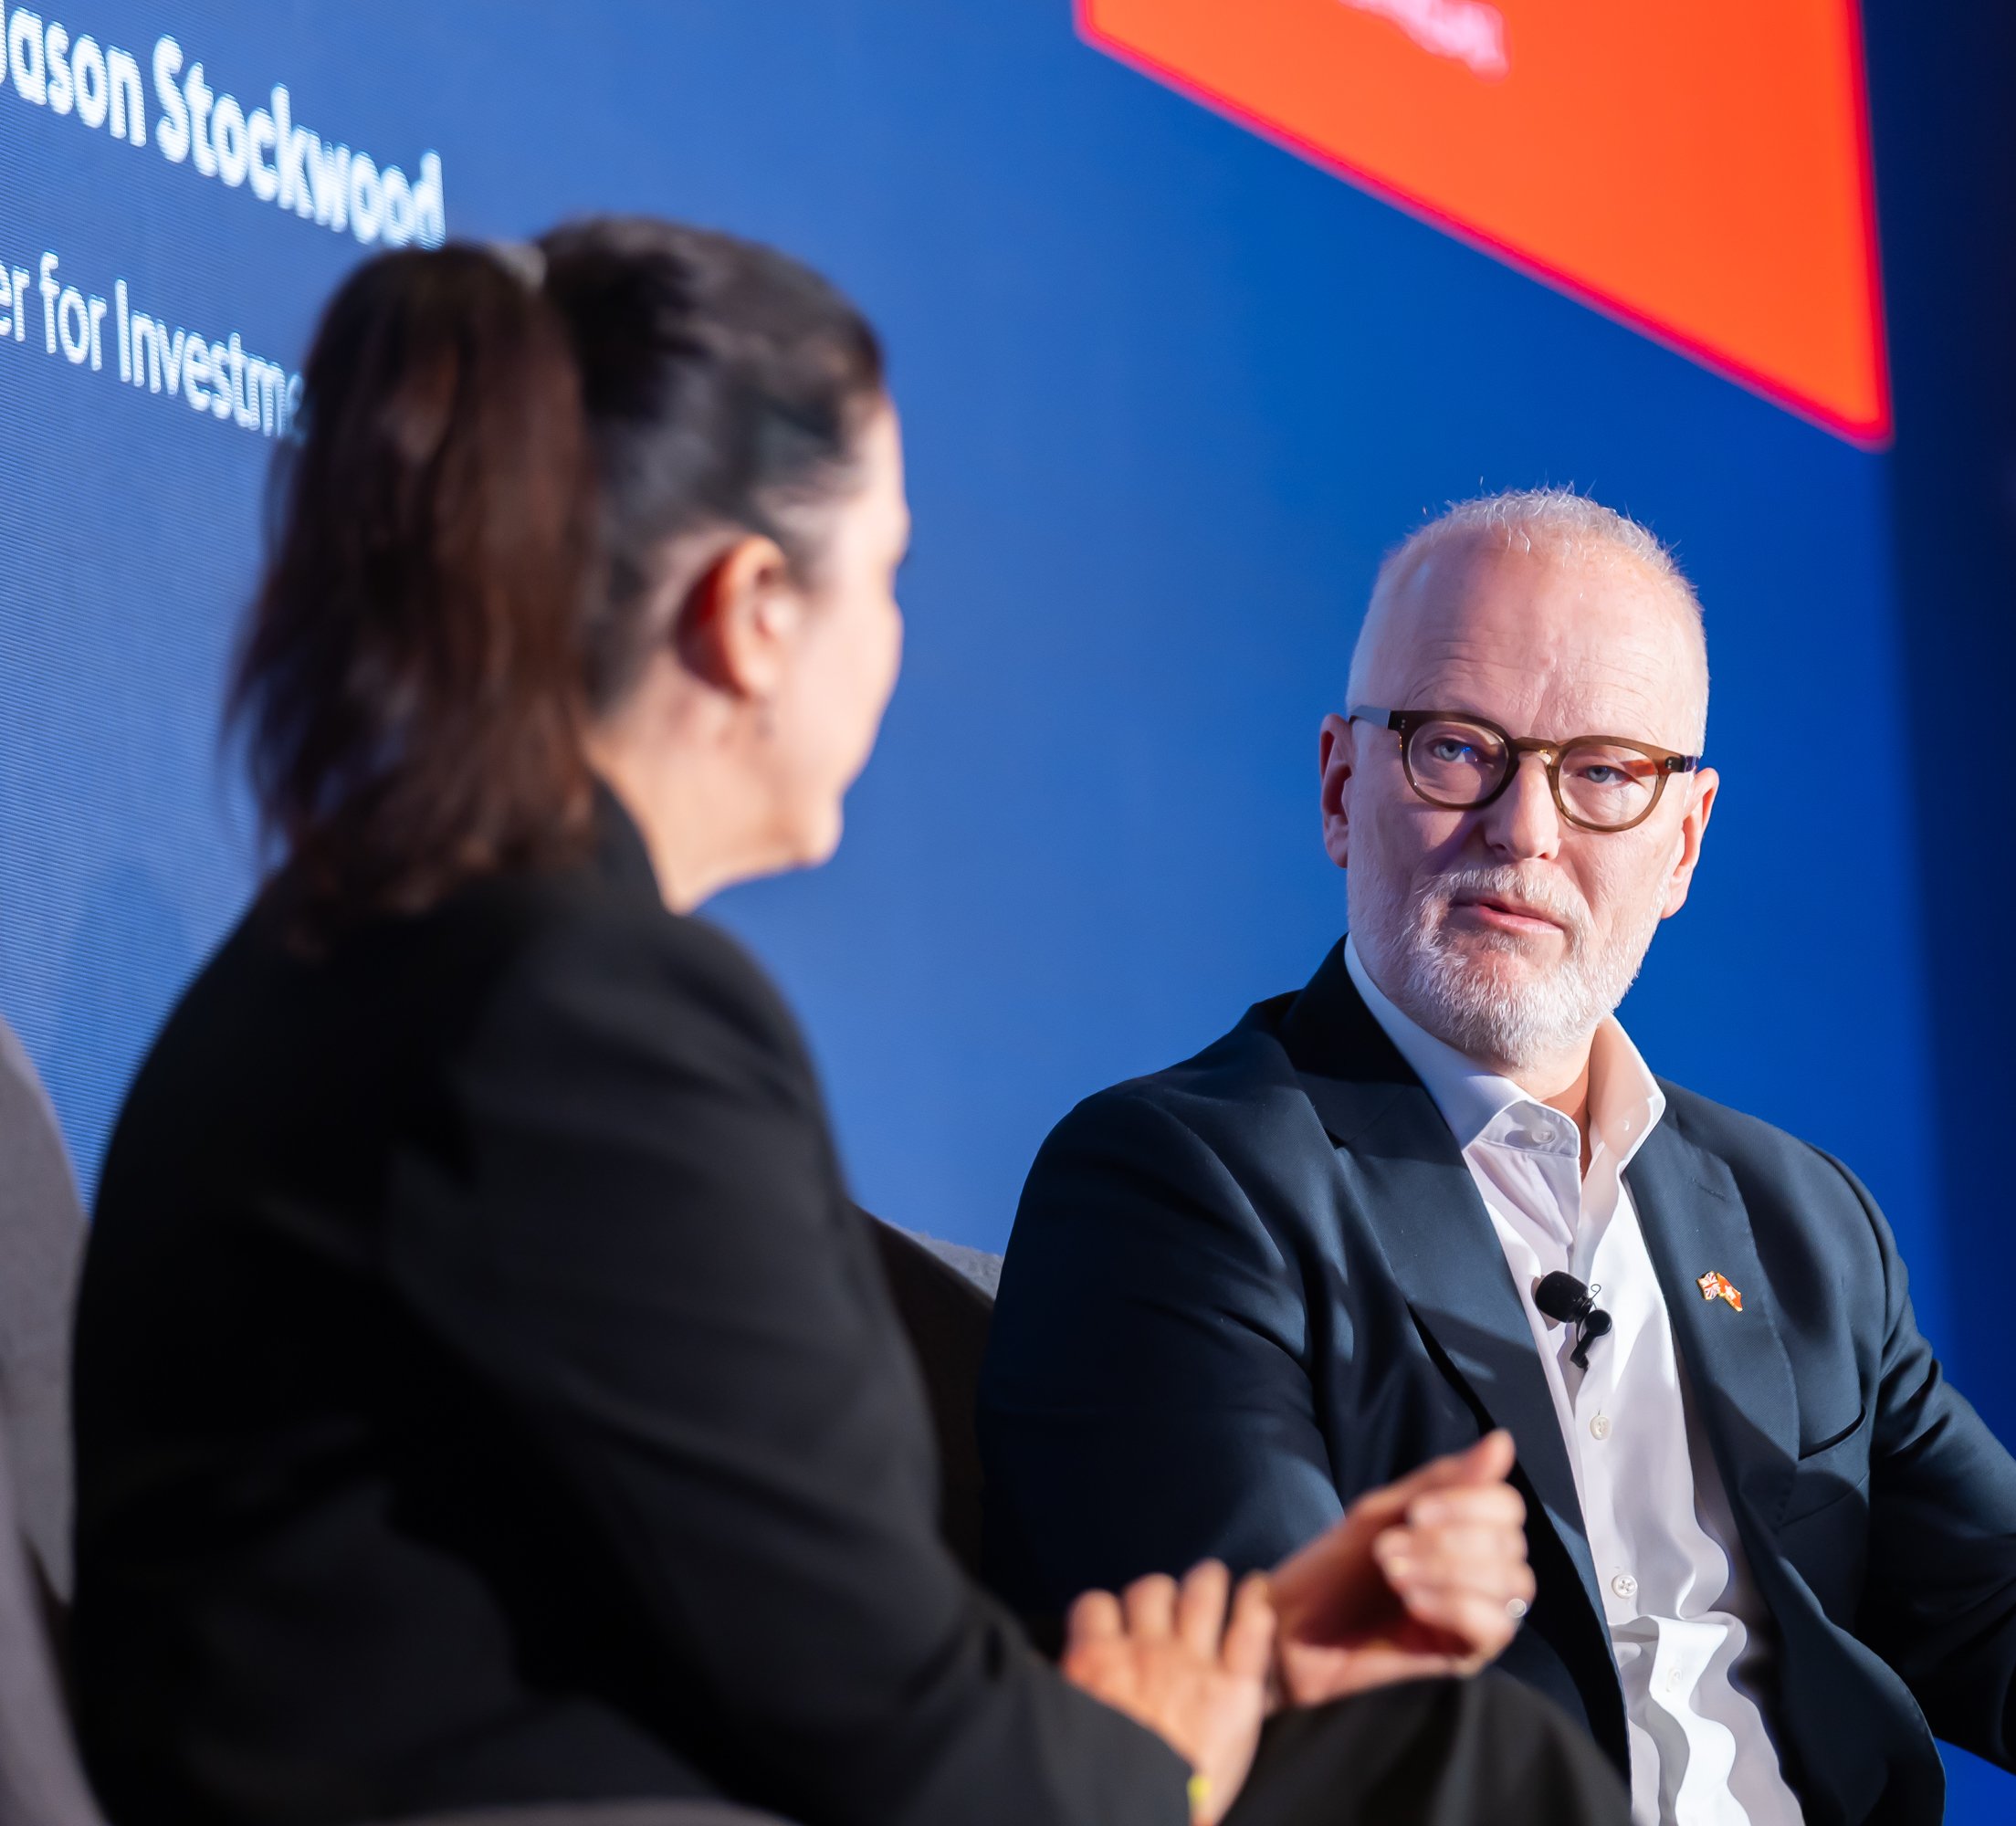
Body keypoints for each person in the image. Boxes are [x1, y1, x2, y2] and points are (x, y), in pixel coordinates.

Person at [72, 230, 1625, 1826]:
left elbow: (800, 1647)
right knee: (1470, 1775)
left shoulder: (420, 947)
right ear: (751, 611)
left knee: (1434, 1757)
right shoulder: (579, 1014)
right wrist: (1161, 1755)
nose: (894, 639)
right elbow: (911, 1748)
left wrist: (1254, 1659)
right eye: (884, 574)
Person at [978, 488, 2016, 1826]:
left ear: (1686, 842)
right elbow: (1291, 1713)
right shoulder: (1181, 1185)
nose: (1524, 828)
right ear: (1340, 783)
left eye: (1602, 773)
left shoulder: (1797, 1228)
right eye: (1457, 748)